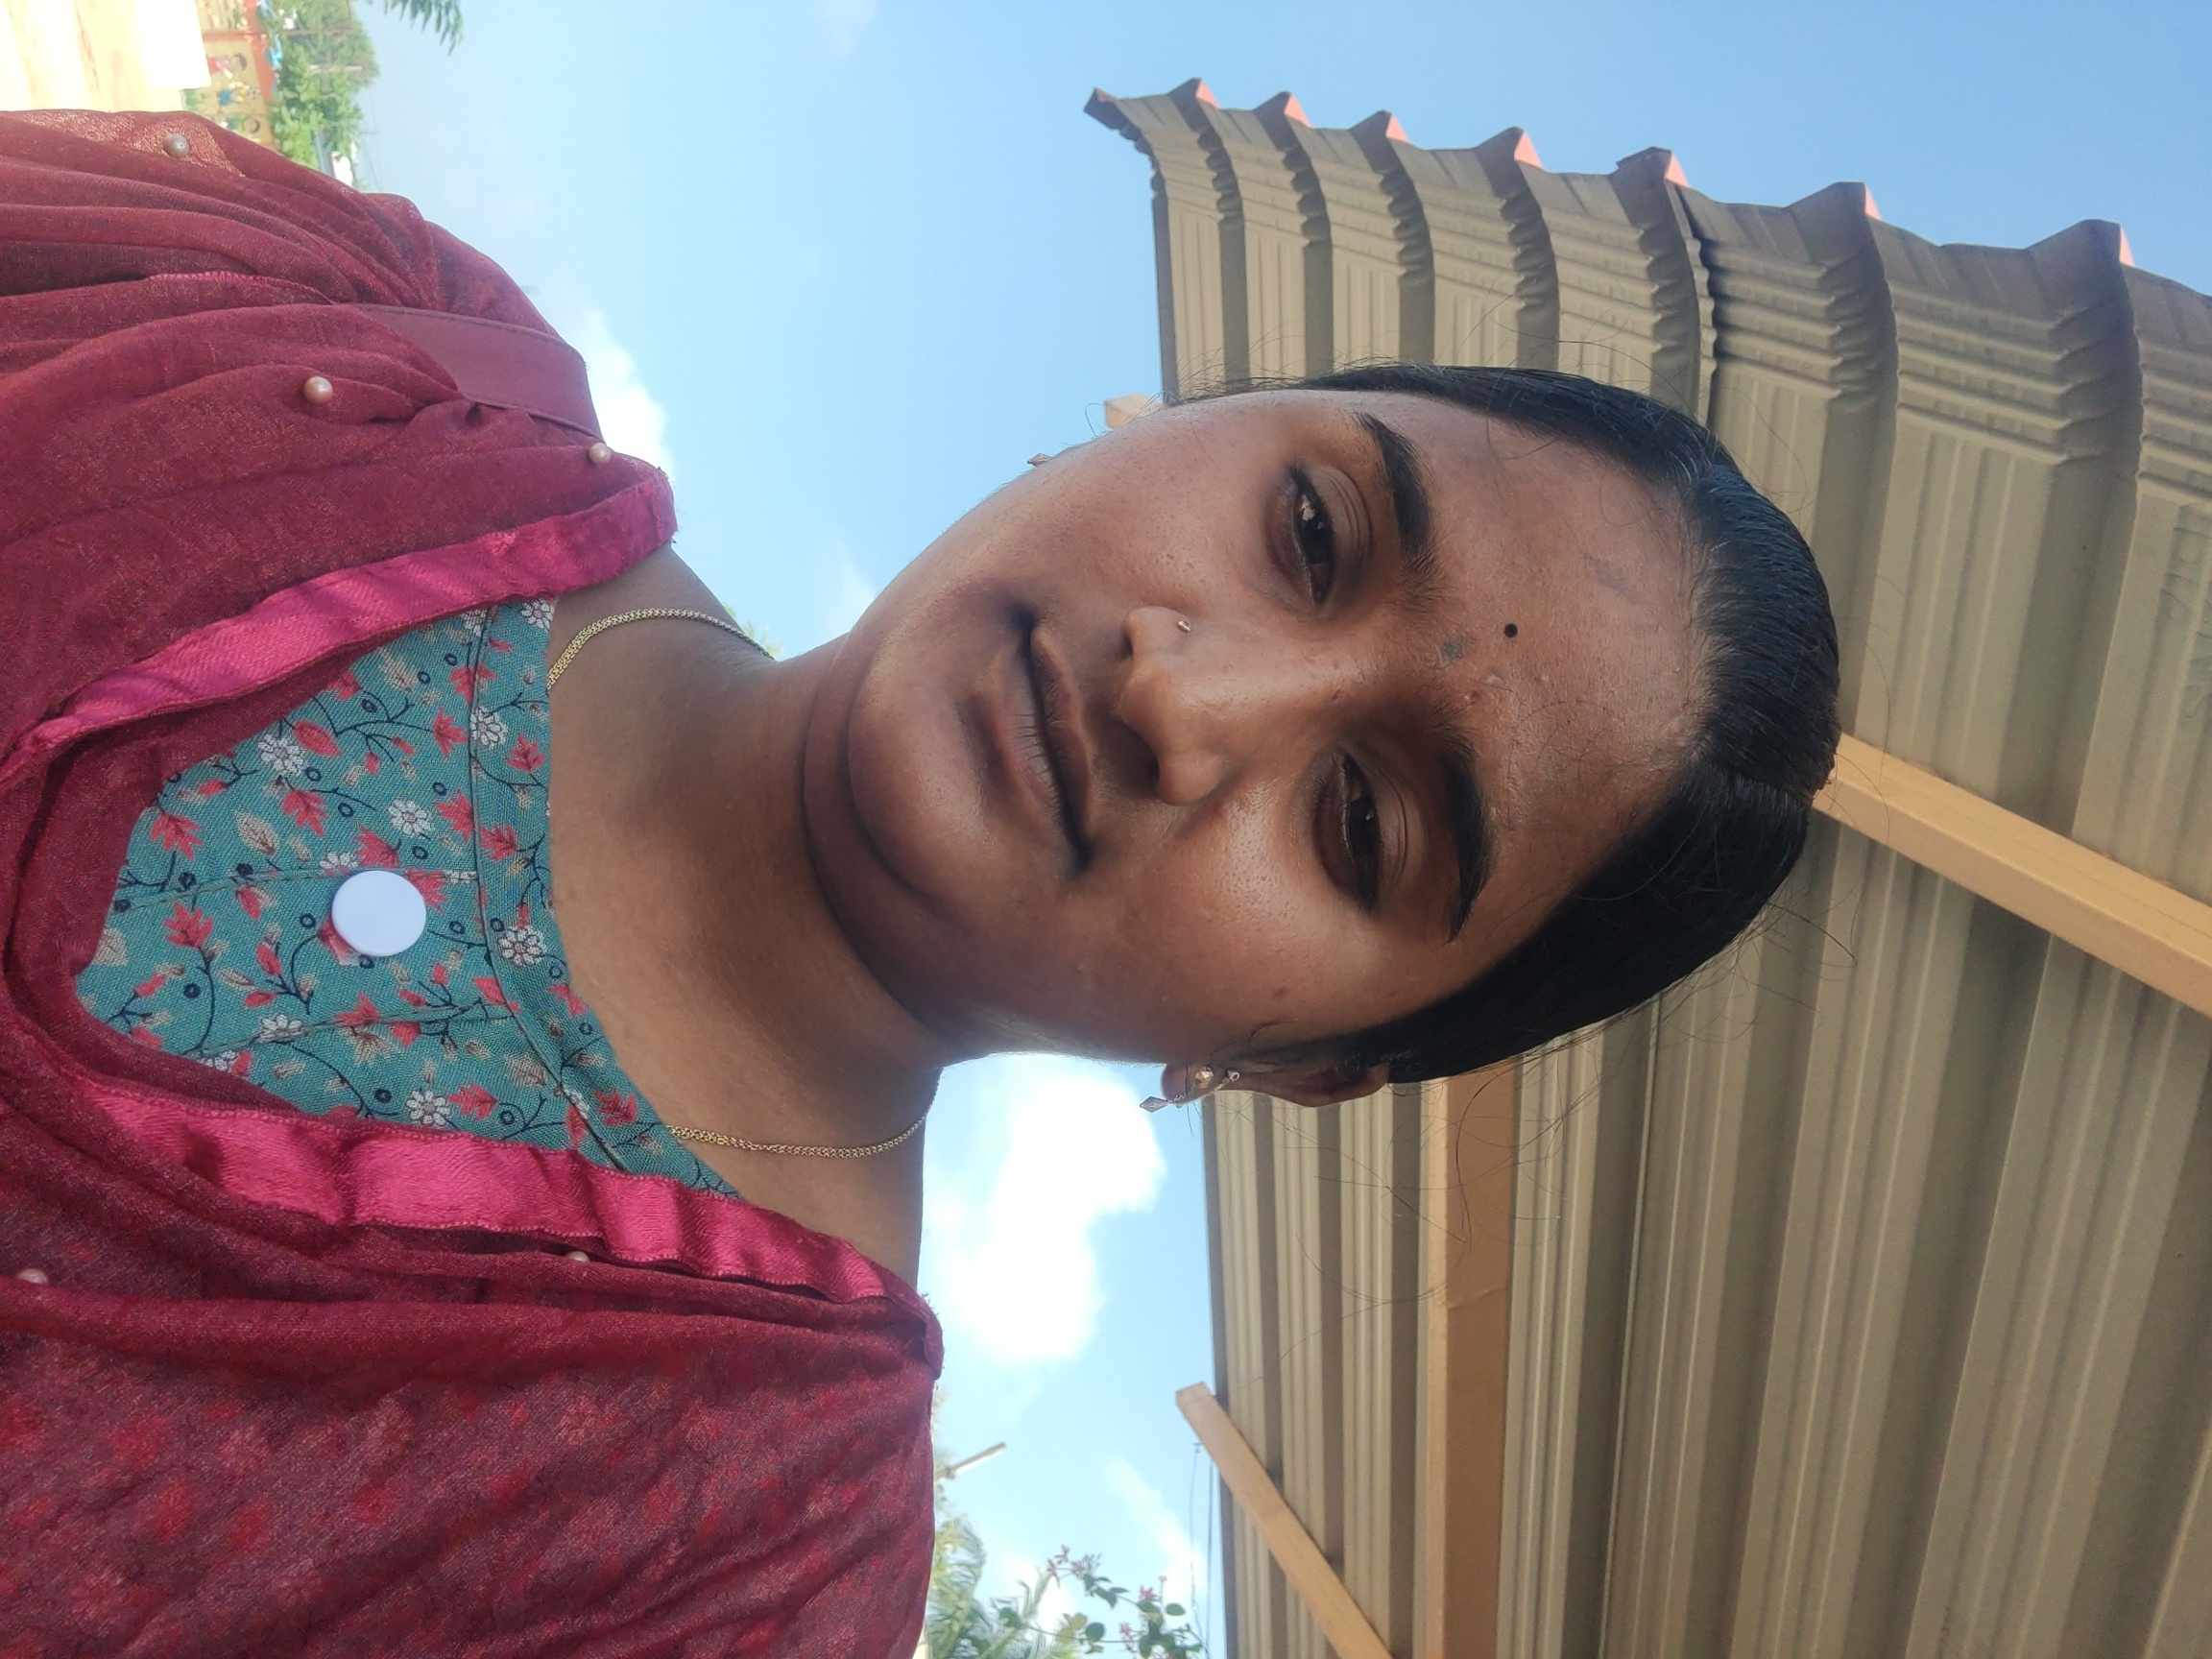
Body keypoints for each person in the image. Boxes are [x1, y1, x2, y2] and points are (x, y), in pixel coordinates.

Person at [0, 110, 1838, 1654]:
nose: (1184, 699)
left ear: (1307, 1065)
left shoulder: (744, 1557)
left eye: (1362, 823)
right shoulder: (377, 336)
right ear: (1167, 417)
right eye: (1310, 530)